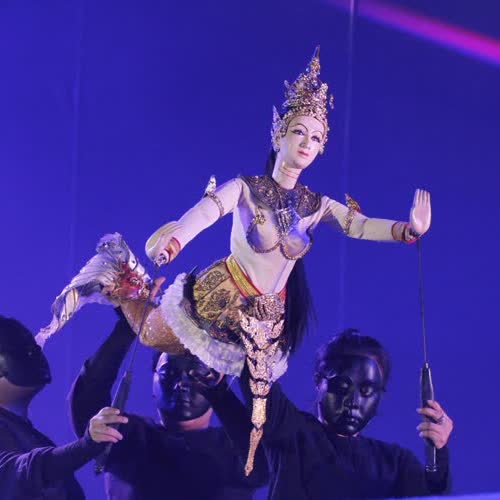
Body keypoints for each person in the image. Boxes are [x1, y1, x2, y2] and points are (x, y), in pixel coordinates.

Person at [39, 46, 432, 472]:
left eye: (316, 138)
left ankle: (247, 461)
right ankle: (122, 283)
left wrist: (406, 230)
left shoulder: (315, 205)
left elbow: (359, 225)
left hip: (264, 317)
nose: (307, 143)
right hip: (222, 297)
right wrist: (176, 241)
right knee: (151, 336)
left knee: (259, 405)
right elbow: (206, 212)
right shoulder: (246, 188)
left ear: (322, 149)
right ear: (279, 135)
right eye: (299, 132)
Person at [69, 307, 268, 500]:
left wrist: (228, 384)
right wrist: (128, 325)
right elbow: (88, 397)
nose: (181, 382)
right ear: (153, 379)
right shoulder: (127, 436)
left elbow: (267, 460)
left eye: (197, 372)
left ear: (218, 378)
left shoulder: (237, 448)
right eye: (169, 372)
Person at [240, 329, 452, 499]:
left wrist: (438, 452)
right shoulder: (292, 434)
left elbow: (433, 494)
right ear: (319, 382)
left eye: (367, 391)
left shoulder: (395, 463)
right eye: (342, 386)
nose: (353, 402)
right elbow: (256, 375)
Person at [0, 315, 126, 499]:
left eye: (34, 347)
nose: (35, 353)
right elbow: (22, 471)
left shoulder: (23, 431)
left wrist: (125, 330)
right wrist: (85, 445)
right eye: (20, 350)